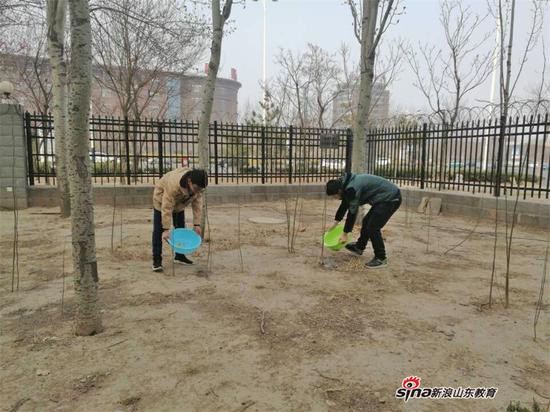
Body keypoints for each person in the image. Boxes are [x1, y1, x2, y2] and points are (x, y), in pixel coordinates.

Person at [326, 172, 401, 268]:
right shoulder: (345, 184)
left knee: (373, 227)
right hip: (382, 199)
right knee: (366, 221)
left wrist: (345, 234)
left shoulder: (352, 189)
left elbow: (352, 212)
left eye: (334, 196)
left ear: (339, 191)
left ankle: (381, 258)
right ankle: (359, 247)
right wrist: (335, 224)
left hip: (391, 198)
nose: (335, 198)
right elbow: (344, 205)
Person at [151, 168, 208, 272]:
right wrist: (166, 229)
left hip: (179, 203)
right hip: (161, 200)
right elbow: (166, 207)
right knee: (159, 231)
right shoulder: (173, 185)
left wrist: (197, 224)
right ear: (189, 181)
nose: (198, 191)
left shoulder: (198, 187)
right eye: (196, 188)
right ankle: (157, 261)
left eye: (200, 189)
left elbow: (197, 204)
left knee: (180, 227)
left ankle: (179, 256)